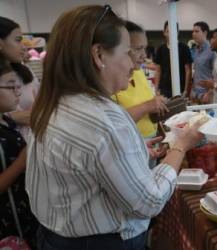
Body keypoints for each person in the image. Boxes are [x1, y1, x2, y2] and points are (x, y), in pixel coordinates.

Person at [27, 5, 204, 250]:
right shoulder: (105, 118)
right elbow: (149, 201)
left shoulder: (54, 102)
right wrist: (180, 146)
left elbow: (82, 163)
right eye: (127, 52)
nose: (134, 64)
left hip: (53, 237)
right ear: (99, 55)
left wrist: (136, 150)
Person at [112, 20, 169, 166]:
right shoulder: (111, 82)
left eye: (145, 48)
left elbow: (148, 102)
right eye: (138, 49)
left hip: (149, 144)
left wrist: (162, 133)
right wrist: (148, 106)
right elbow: (114, 123)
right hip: (127, 149)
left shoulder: (138, 72)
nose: (144, 55)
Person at [0, 55, 38, 248]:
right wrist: (20, 163)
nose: (17, 92)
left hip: (23, 217)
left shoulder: (6, 122)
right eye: (10, 86)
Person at [0, 16, 40, 141]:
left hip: (34, 141)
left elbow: (43, 109)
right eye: (18, 40)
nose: (24, 47)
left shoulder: (26, 72)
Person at [154, 21, 192, 98]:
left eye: (173, 31)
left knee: (179, 109)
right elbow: (158, 70)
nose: (171, 34)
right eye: (168, 31)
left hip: (180, 88)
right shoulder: (161, 49)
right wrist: (156, 88)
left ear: (177, 32)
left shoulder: (184, 48)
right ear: (164, 32)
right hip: (164, 88)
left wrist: (185, 90)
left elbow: (188, 71)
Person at [190, 21, 215, 103]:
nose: (193, 34)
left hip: (206, 95)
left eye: (197, 31)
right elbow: (197, 72)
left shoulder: (212, 51)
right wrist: (192, 90)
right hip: (195, 94)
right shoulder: (196, 50)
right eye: (193, 31)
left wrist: (210, 93)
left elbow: (216, 76)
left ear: (205, 33)